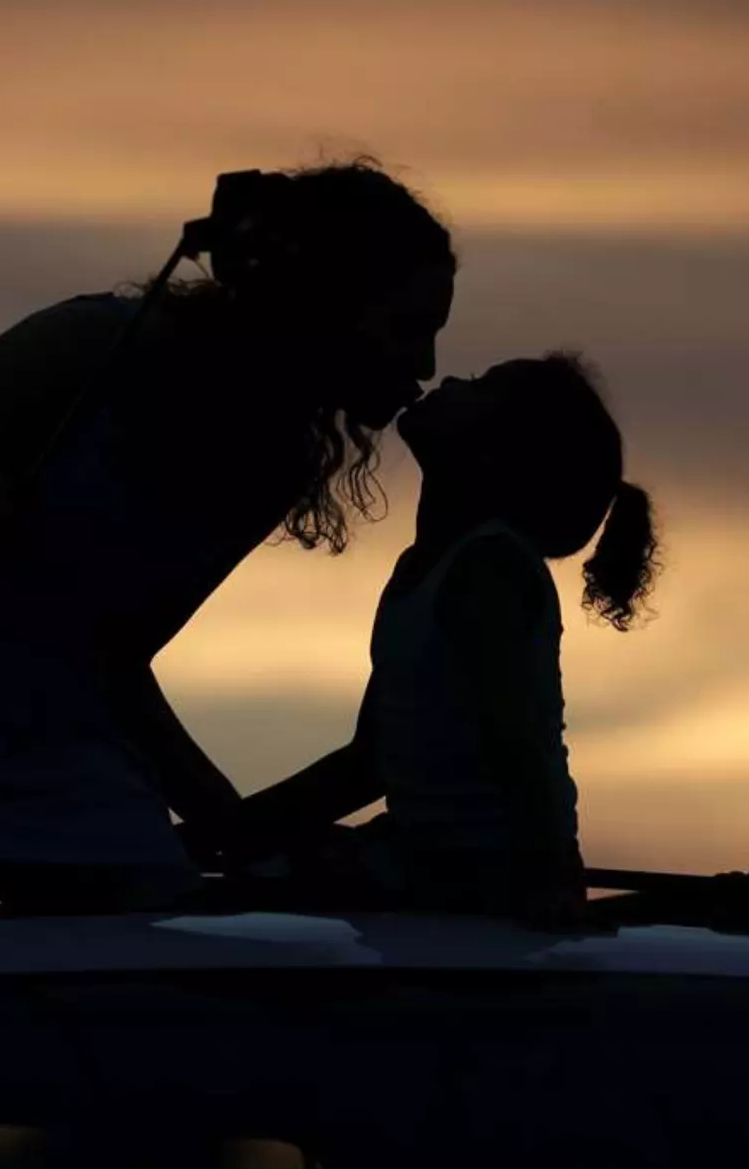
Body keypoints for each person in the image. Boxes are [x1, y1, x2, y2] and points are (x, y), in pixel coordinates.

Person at [0, 159, 458, 921]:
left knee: (155, 929)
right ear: (321, 302)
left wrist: (227, 826)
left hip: (44, 742)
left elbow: (113, 660)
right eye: (407, 329)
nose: (426, 365)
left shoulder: (275, 463)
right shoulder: (82, 347)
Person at [201, 352, 659, 927]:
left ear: (498, 456)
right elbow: (370, 761)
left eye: (478, 387)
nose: (449, 379)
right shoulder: (421, 569)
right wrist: (228, 834)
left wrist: (550, 880)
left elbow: (517, 749)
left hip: (482, 875)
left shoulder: (487, 571)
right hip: (430, 857)